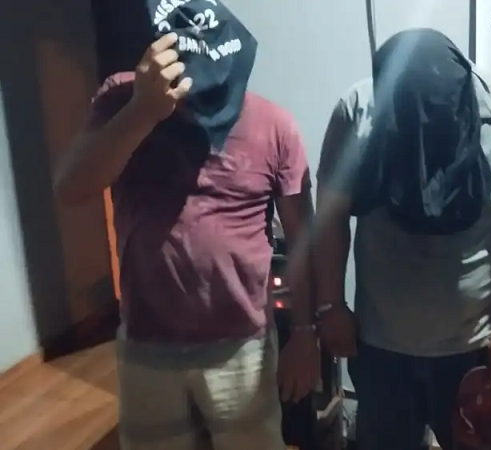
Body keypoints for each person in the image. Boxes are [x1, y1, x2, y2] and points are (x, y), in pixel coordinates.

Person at [53, 2, 317, 449]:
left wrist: (306, 335)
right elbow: (71, 188)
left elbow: (303, 238)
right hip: (147, 345)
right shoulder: (122, 98)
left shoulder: (273, 125)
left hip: (241, 347)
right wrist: (143, 110)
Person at [312, 29, 491, 450]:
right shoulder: (361, 109)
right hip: (380, 345)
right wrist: (329, 306)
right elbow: (331, 215)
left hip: (475, 347)